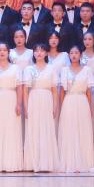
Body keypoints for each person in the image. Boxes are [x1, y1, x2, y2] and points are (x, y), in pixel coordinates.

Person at [0, 42, 25, 172]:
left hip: (11, 99)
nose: (2, 52)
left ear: (8, 52)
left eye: (4, 50)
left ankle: (11, 163)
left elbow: (19, 87)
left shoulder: (16, 68)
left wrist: (19, 104)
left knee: (11, 129)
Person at [57, 45, 94, 172]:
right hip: (69, 101)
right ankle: (69, 161)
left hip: (82, 101)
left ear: (80, 55)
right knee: (69, 130)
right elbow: (62, 91)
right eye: (71, 53)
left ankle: (84, 162)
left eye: (76, 53)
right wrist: (61, 107)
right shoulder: (64, 70)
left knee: (82, 130)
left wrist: (90, 107)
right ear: (69, 55)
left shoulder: (87, 70)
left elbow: (89, 91)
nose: (74, 55)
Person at [24, 44, 60, 172]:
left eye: (42, 50)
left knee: (46, 129)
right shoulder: (29, 69)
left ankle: (46, 163)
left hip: (46, 99)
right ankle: (32, 163)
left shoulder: (51, 68)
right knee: (33, 129)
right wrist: (26, 107)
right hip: (33, 99)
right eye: (36, 50)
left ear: (46, 53)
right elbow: (25, 91)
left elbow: (55, 91)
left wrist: (55, 107)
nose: (39, 53)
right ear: (33, 53)